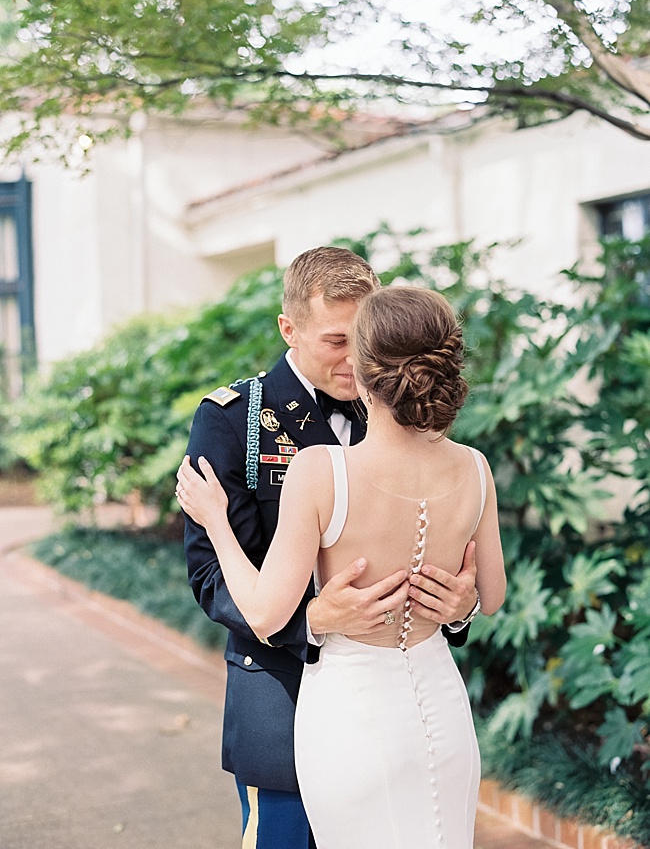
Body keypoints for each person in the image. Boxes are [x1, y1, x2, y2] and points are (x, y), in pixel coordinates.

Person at [177, 285, 505, 848]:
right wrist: (313, 618)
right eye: (336, 338)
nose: (347, 355)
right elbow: (209, 578)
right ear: (291, 330)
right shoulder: (233, 417)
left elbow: (475, 592)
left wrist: (459, 607)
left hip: (358, 711)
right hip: (286, 701)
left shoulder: (331, 460)